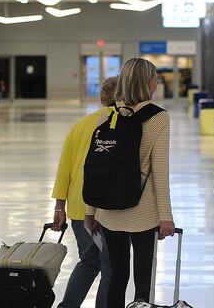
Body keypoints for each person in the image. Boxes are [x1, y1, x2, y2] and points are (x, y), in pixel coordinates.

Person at [86, 58, 174, 308]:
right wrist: (166, 216)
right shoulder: (158, 118)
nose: (156, 83)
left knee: (116, 276)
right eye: (155, 78)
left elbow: (93, 165)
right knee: (142, 279)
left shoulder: (107, 113)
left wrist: (90, 211)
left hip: (108, 211)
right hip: (143, 212)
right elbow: (159, 172)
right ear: (147, 83)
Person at [52, 76, 118, 308]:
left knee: (89, 260)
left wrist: (60, 205)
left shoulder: (80, 126)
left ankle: (67, 306)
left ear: (101, 98)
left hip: (79, 207)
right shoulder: (123, 125)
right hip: (109, 207)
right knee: (112, 267)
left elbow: (64, 168)